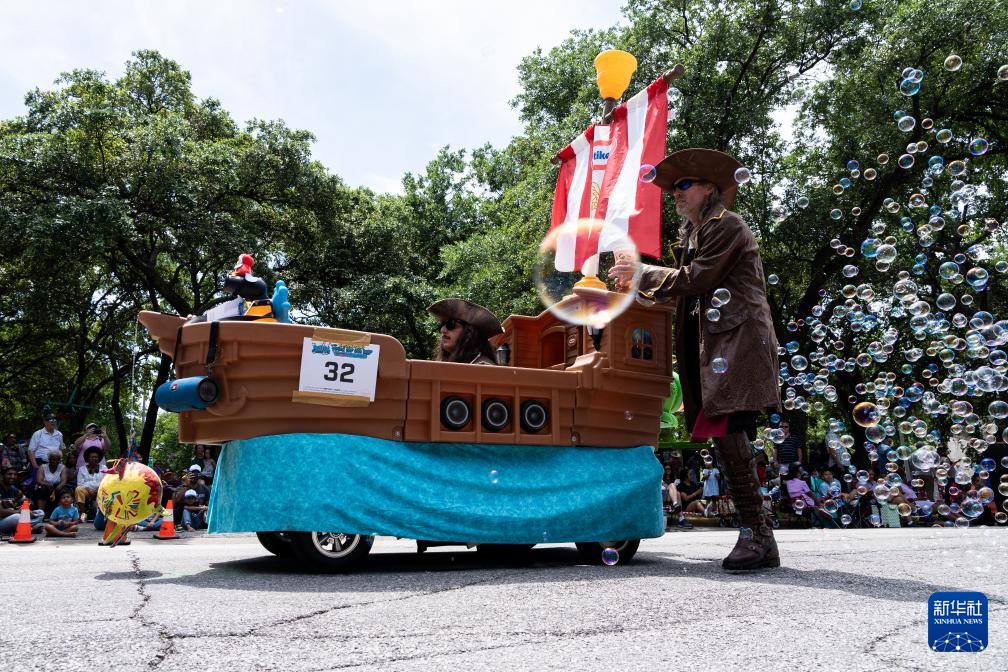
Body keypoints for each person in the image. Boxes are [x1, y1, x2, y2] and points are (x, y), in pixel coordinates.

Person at [610, 148, 781, 571]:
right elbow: (686, 293)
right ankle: (758, 535)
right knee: (726, 436)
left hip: (737, 344)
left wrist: (642, 273)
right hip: (719, 347)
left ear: (709, 188)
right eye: (673, 188)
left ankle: (757, 537)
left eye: (684, 184)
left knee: (730, 433)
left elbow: (698, 279)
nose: (675, 192)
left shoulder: (727, 225)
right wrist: (639, 284)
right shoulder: (696, 234)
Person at [428, 298, 503, 365]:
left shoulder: (483, 367)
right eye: (441, 325)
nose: (442, 330)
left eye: (451, 324)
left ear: (470, 332)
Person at [0, 466, 44, 536]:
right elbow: (1, 512)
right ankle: (29, 529)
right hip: (2, 521)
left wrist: (24, 507)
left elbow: (27, 500)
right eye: (9, 474)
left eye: (15, 474)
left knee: (40, 513)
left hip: (11, 518)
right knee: (17, 517)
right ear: (2, 476)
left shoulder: (13, 489)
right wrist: (21, 511)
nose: (13, 476)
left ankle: (20, 528)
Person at [75, 447, 105, 515]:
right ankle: (82, 514)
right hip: (87, 491)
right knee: (78, 489)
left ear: (99, 458)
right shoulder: (82, 469)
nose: (94, 458)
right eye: (92, 457)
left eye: (96, 457)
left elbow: (106, 482)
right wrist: (88, 490)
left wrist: (97, 490)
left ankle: (100, 515)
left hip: (100, 490)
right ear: (88, 458)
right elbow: (80, 483)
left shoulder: (104, 468)